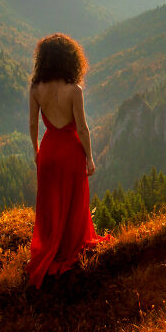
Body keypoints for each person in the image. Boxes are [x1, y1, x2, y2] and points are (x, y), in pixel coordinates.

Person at [26, 33, 110, 289]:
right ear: (70, 60)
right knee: (74, 201)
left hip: (49, 151)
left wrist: (36, 150)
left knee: (50, 203)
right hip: (71, 153)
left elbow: (32, 124)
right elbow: (82, 129)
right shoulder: (75, 90)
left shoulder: (36, 88)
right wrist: (90, 159)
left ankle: (50, 246)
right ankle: (70, 248)